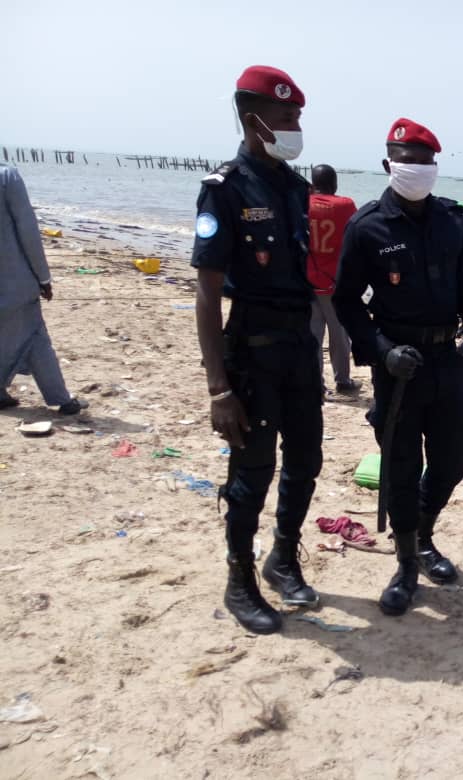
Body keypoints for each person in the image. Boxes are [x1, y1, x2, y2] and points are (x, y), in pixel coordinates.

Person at [333, 118, 463, 617]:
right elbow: (346, 301)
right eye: (407, 161)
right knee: (400, 466)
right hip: (398, 367)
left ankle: (422, 534)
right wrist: (379, 350)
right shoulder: (367, 225)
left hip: (447, 361)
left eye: (425, 161)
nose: (417, 169)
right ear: (388, 165)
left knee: (453, 458)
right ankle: (404, 563)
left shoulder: (451, 219)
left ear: (435, 167)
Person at [191, 65, 322, 635]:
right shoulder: (225, 189)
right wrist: (218, 388)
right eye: (286, 116)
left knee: (306, 461)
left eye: (297, 116)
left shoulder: (298, 191)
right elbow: (206, 293)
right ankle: (239, 577)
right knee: (252, 471)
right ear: (254, 121)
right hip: (252, 350)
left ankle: (283, 556)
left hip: (300, 348)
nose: (296, 126)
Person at [1, 165, 85, 414]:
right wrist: (43, 277)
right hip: (14, 281)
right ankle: (61, 399)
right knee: (35, 337)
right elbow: (28, 231)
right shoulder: (8, 178)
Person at [307, 164, 359, 395]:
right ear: (334, 184)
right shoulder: (345, 205)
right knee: (339, 335)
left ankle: (316, 383)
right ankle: (343, 380)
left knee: (313, 335)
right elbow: (356, 237)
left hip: (307, 281)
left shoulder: (302, 204)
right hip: (334, 282)